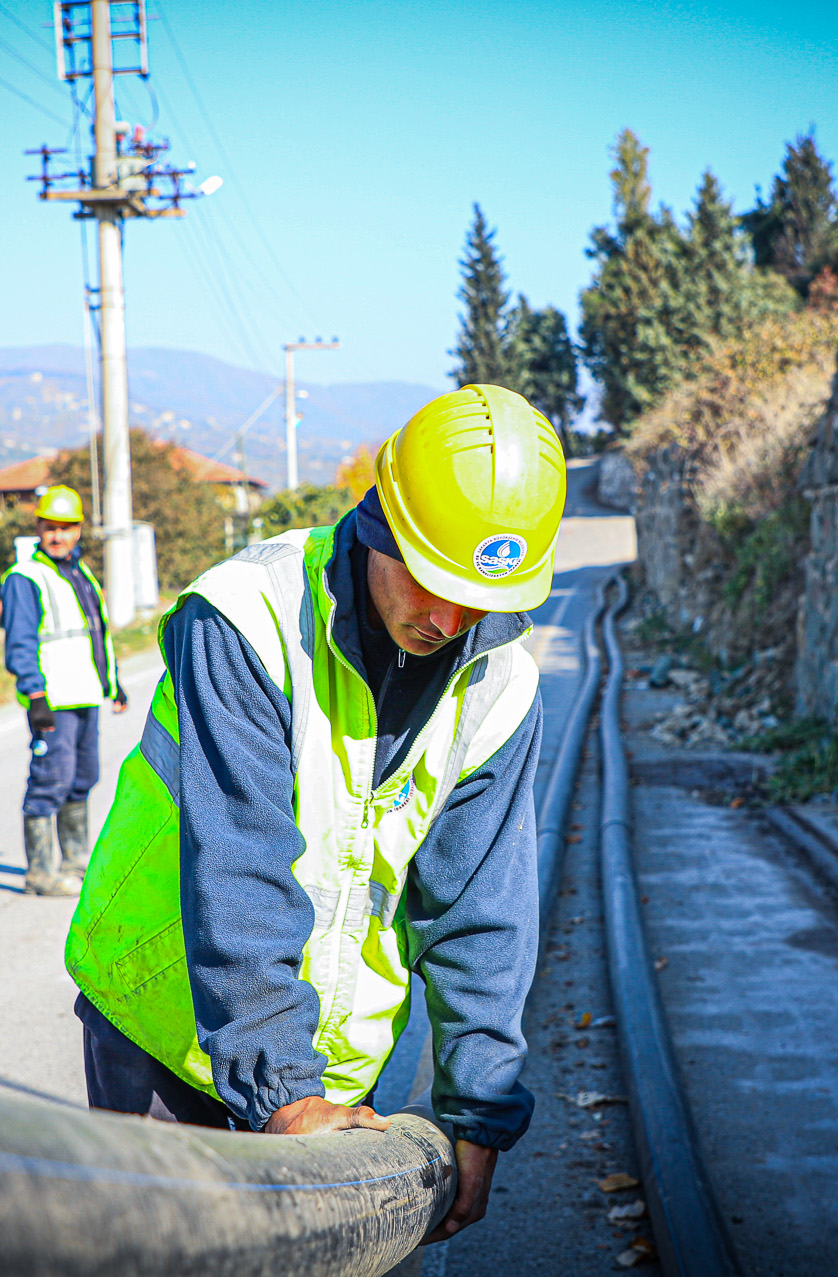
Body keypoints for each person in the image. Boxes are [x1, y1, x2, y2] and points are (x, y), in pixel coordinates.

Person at [65, 385, 565, 1243]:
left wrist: (478, 1112)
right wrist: (282, 1092)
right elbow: (242, 865)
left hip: (332, 1072)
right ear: (381, 523)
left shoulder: (505, 685)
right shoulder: (246, 621)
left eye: (477, 600)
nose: (447, 621)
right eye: (431, 580)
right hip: (165, 1029)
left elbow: (482, 913)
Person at [0, 485, 127, 897]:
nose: (57, 535)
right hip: (52, 701)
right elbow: (20, 643)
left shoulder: (78, 571)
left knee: (82, 778)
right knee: (49, 780)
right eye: (49, 527)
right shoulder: (25, 578)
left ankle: (76, 863)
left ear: (77, 531)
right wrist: (35, 697)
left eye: (65, 528)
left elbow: (95, 633)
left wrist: (112, 684)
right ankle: (40, 874)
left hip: (86, 694)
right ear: (38, 527)